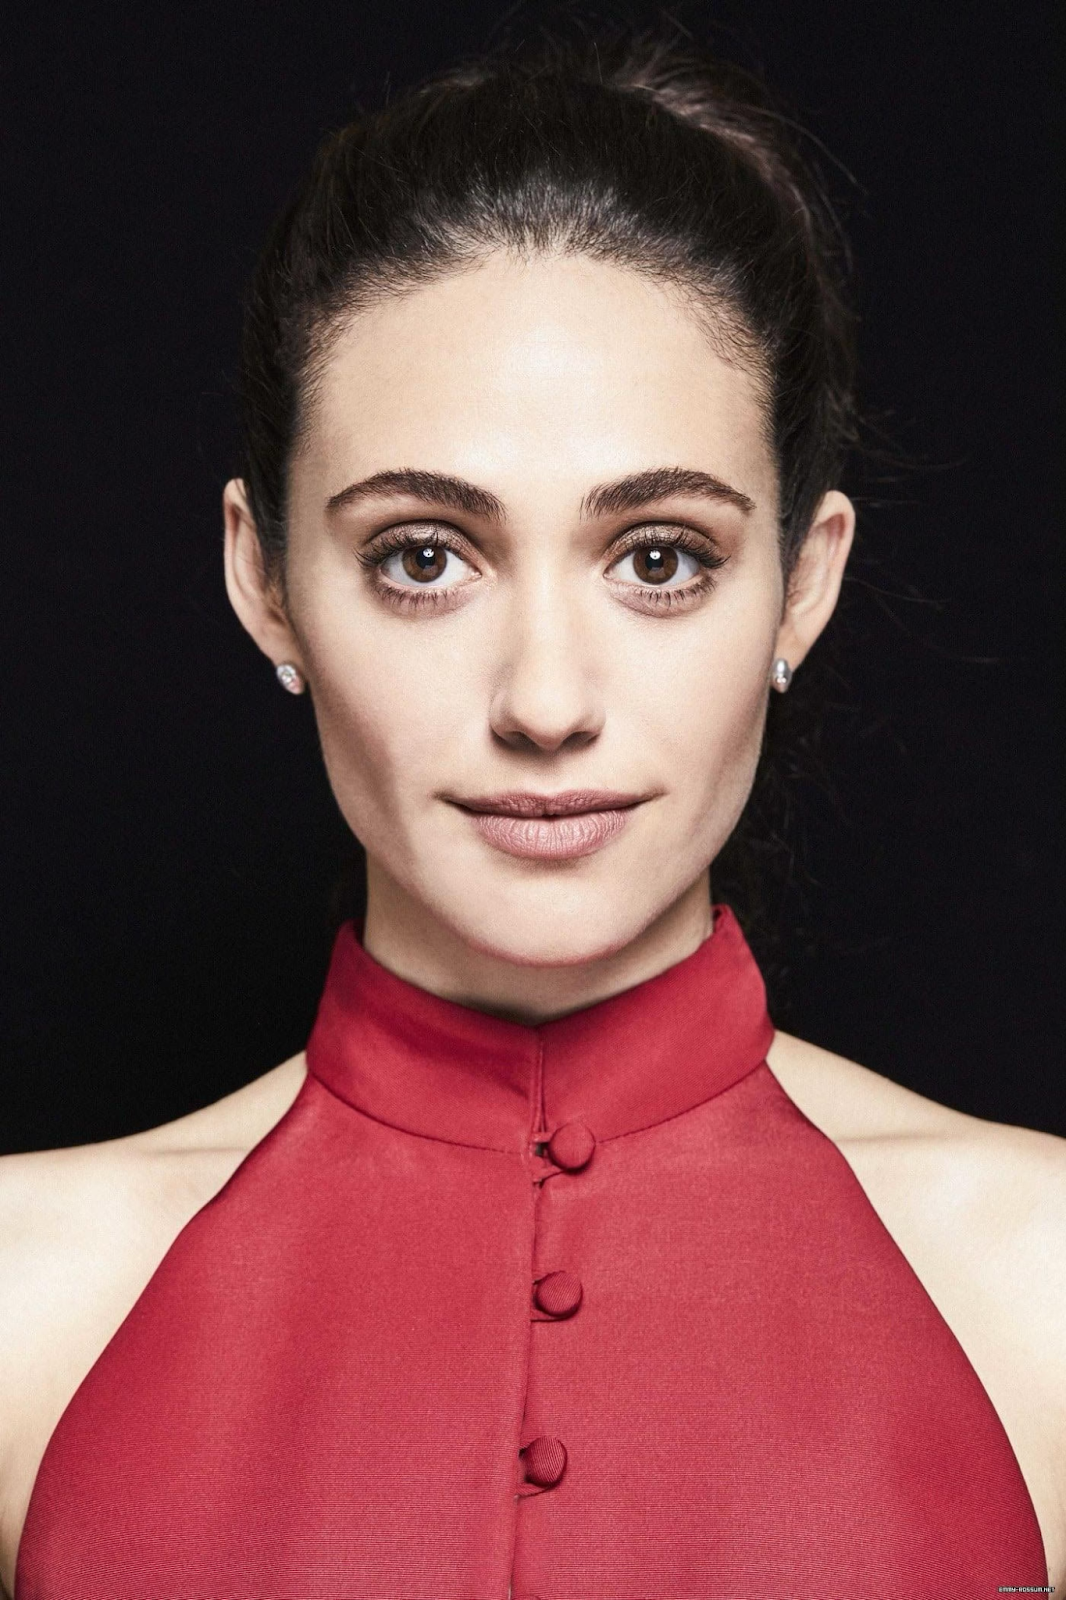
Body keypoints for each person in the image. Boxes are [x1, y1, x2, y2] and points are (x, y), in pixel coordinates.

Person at [0, 25, 1062, 1599]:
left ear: (806, 578)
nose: (546, 700)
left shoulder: (1038, 1289)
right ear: (262, 580)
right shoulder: (28, 1305)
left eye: (659, 558)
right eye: (422, 555)